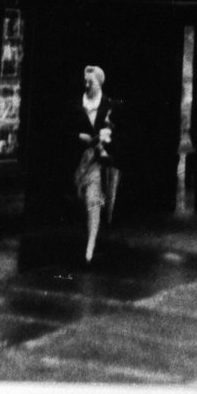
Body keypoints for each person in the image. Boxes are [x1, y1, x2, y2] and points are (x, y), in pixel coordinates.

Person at [73, 64, 119, 265]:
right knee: (82, 199)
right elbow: (65, 130)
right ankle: (87, 239)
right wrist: (79, 137)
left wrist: (107, 139)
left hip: (98, 163)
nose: (86, 84)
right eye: (85, 80)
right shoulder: (77, 105)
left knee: (94, 200)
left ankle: (90, 247)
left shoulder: (110, 106)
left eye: (90, 81)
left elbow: (118, 133)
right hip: (78, 162)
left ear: (99, 82)